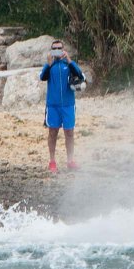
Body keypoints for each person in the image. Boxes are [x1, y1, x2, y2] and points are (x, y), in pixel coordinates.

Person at [40, 40, 84, 173]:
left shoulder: (68, 63)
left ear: (64, 49)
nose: (57, 51)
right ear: (51, 50)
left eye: (60, 48)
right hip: (53, 105)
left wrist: (70, 60)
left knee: (69, 132)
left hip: (68, 104)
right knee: (52, 133)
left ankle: (70, 160)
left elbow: (80, 75)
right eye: (55, 49)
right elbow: (42, 77)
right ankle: (52, 161)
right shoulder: (50, 65)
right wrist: (48, 64)